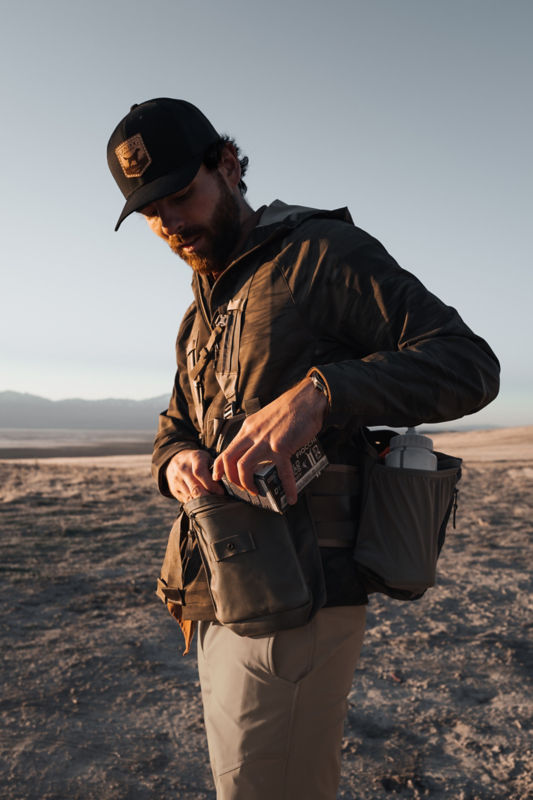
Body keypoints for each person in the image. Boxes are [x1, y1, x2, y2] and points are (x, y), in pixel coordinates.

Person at [106, 98, 500, 799]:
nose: (168, 223)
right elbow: (173, 426)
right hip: (222, 594)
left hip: (300, 603)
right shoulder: (199, 313)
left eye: (178, 195)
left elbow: (468, 363)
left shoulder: (317, 255)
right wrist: (177, 463)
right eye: (149, 212)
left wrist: (321, 393)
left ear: (226, 166)